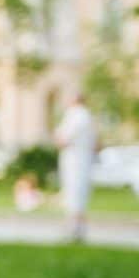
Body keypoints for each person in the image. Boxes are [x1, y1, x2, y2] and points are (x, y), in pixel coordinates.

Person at [54, 92, 97, 242]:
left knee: (74, 194)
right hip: (82, 160)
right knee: (79, 195)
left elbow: (63, 139)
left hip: (74, 161)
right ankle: (78, 229)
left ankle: (75, 229)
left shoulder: (76, 115)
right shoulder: (87, 116)